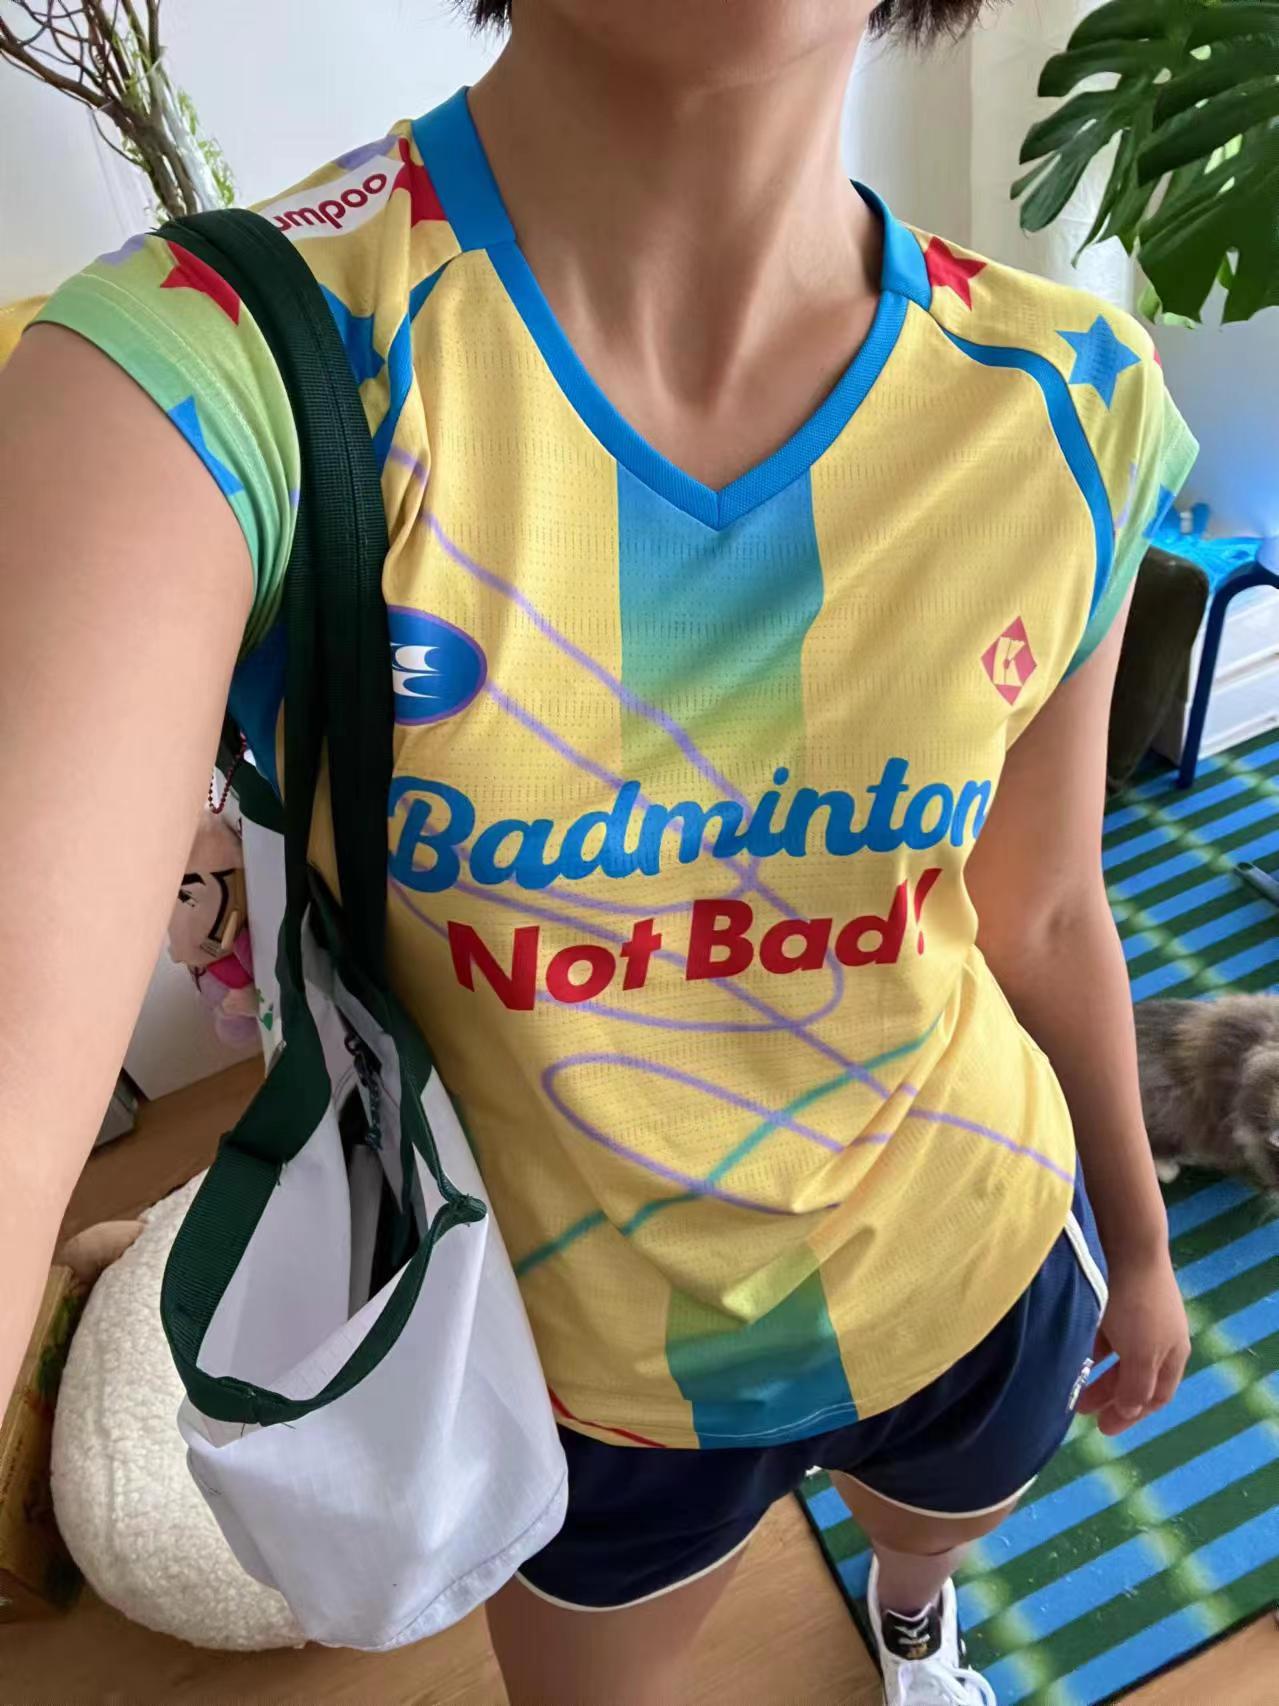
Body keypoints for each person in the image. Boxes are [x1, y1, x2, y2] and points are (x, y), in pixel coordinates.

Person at [0, 1, 1196, 1700]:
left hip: (976, 1267)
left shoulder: (1074, 395)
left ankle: (913, 1620)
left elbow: (1050, 909)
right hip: (583, 1389)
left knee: (934, 1533)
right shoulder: (216, 365)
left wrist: (1138, 1247)